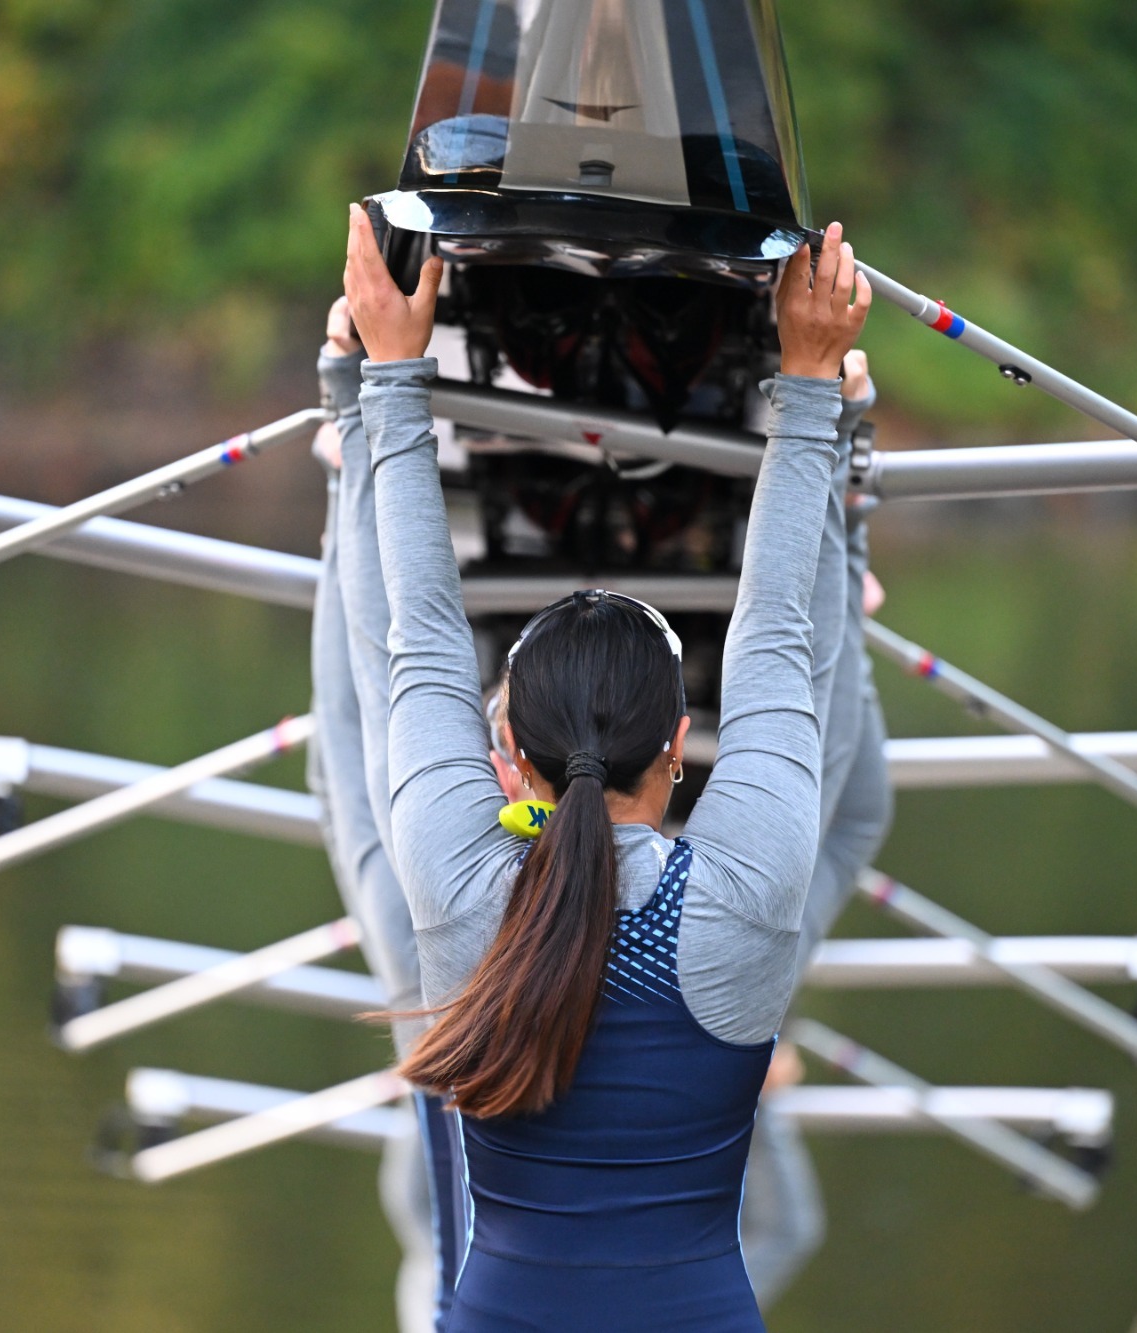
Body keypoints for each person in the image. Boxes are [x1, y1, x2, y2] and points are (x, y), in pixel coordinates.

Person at [345, 204, 872, 1328]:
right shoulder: (739, 892)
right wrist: (810, 379)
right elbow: (780, 635)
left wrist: (385, 379)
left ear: (509, 757)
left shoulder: (463, 883)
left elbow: (417, 639)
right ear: (680, 744)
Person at [309, 298, 466, 1333]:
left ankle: (352, 445)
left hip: (444, 974)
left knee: (367, 725)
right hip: (441, 973)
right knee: (359, 741)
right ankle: (349, 447)